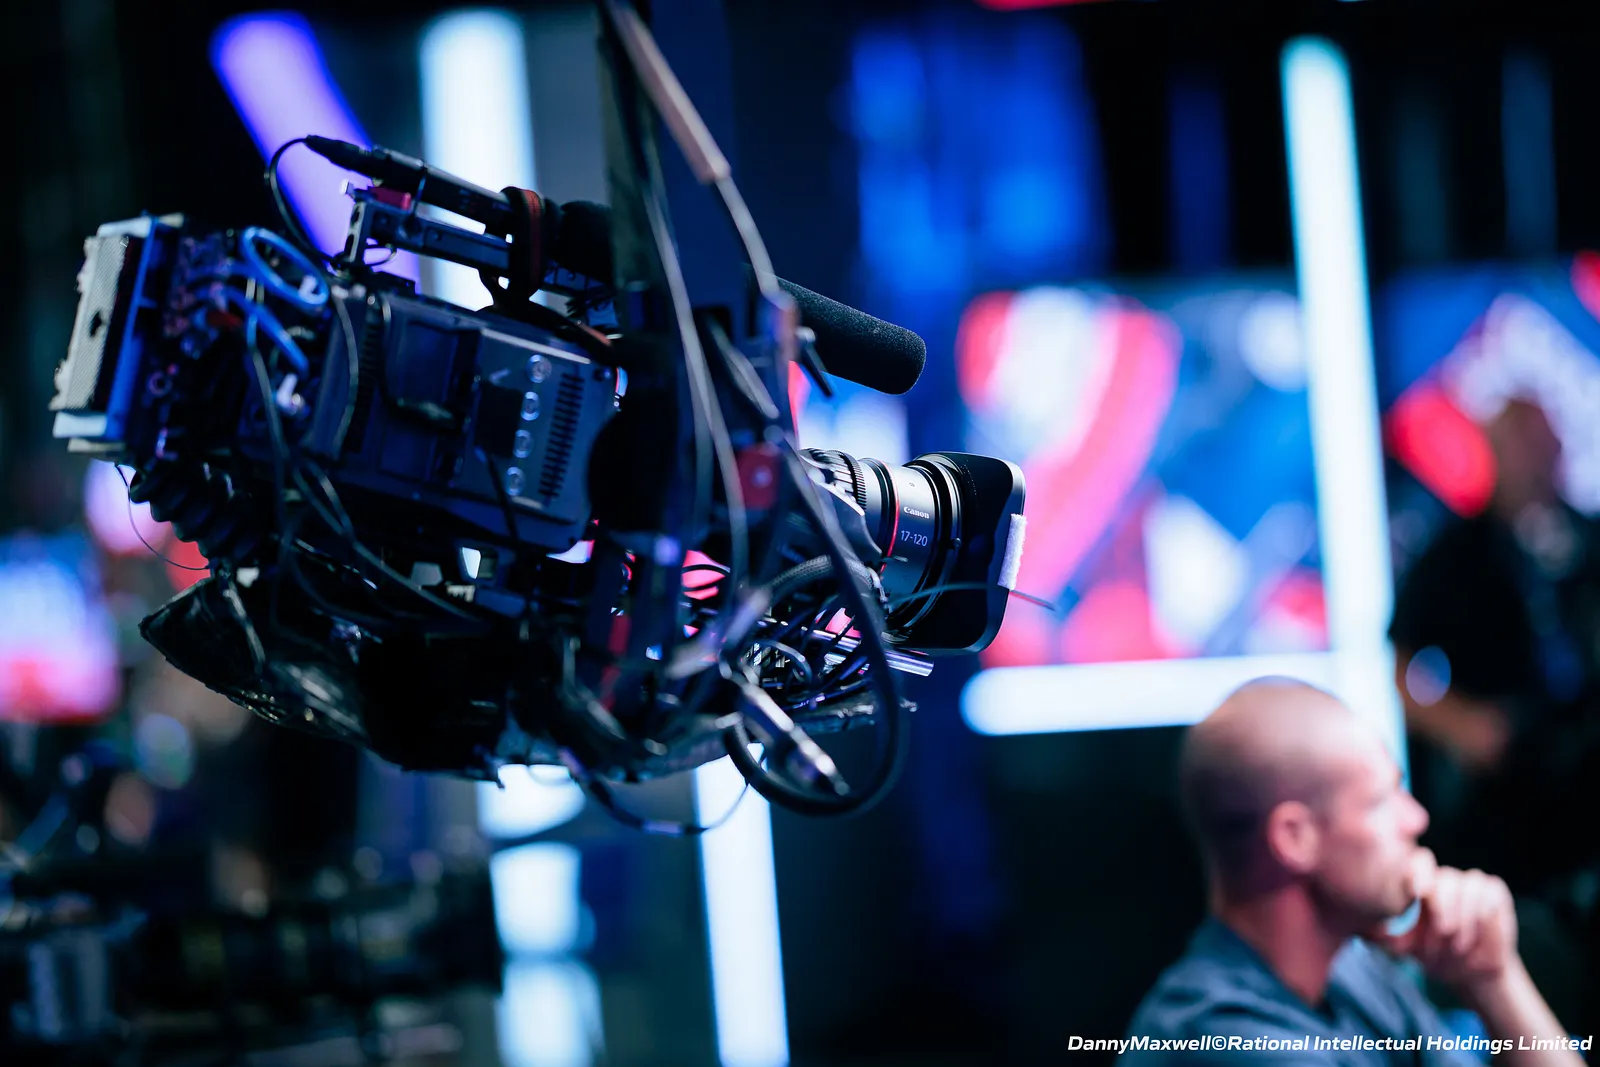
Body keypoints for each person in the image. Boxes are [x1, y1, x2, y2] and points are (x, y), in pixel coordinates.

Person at [1119, 679, 1584, 1065]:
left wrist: (1488, 978)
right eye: (1382, 800)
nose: (1416, 819)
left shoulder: (1353, 973)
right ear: (1294, 838)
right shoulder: (1221, 1039)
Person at [1390, 397, 1600, 893]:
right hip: (1504, 787)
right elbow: (1397, 662)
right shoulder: (1453, 555)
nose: (1536, 456)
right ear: (1494, 451)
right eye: (1522, 442)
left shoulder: (1590, 540)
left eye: (1544, 442)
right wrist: (1461, 725)